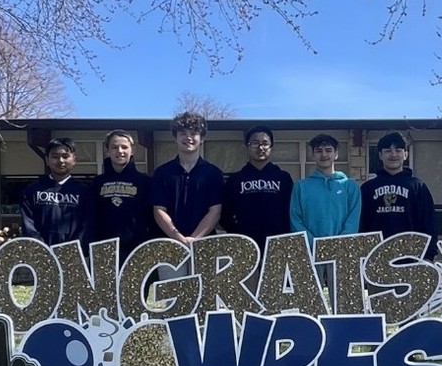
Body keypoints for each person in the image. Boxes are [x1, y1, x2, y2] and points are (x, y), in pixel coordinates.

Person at [359, 131, 438, 258]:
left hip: (412, 257)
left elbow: (429, 222)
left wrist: (429, 255)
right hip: (376, 258)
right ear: (380, 155)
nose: (393, 154)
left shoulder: (418, 186)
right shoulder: (368, 188)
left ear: (405, 154)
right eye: (388, 150)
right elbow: (362, 224)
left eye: (398, 150)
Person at [151, 111, 224, 247]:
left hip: (205, 246)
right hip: (169, 246)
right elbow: (159, 210)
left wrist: (194, 239)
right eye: (183, 133)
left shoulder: (213, 174)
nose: (188, 137)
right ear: (175, 138)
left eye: (193, 133)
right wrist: (178, 238)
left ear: (201, 138)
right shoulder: (162, 173)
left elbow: (215, 211)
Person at [221, 125, 294, 252]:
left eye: (265, 143)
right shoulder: (236, 180)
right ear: (247, 147)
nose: (260, 148)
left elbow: (292, 211)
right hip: (245, 246)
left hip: (278, 245)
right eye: (255, 143)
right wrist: (238, 234)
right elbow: (224, 214)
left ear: (271, 147)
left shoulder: (283, 178)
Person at [90, 129, 154, 260]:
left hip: (136, 250)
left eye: (124, 147)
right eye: (114, 147)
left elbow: (151, 218)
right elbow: (91, 216)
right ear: (107, 150)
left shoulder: (145, 182)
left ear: (133, 150)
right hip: (103, 249)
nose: (120, 151)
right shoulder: (97, 182)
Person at [20, 137, 92, 246]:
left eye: (65, 156)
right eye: (55, 157)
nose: (61, 161)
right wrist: (41, 250)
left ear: (74, 160)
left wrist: (73, 251)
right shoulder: (32, 190)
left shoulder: (84, 192)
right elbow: (28, 225)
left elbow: (88, 226)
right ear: (47, 160)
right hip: (40, 255)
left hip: (74, 256)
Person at [290, 134, 361, 242]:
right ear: (313, 155)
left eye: (328, 150)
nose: (324, 154)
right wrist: (314, 245)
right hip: (310, 251)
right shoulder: (301, 187)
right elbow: (295, 220)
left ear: (336, 154)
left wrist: (340, 244)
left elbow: (353, 221)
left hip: (343, 250)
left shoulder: (350, 186)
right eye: (319, 151)